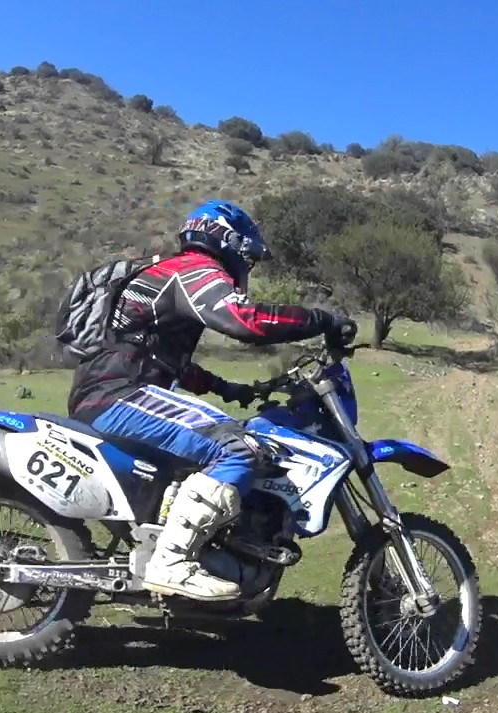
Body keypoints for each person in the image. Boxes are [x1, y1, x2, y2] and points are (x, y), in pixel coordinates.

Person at [66, 200, 357, 601]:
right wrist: (322, 320)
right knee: (237, 449)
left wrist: (228, 389)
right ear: (229, 241)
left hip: (114, 393)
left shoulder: (169, 272)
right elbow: (244, 321)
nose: (246, 267)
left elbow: (163, 359)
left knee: (219, 441)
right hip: (120, 396)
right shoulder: (193, 270)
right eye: (247, 256)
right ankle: (171, 562)